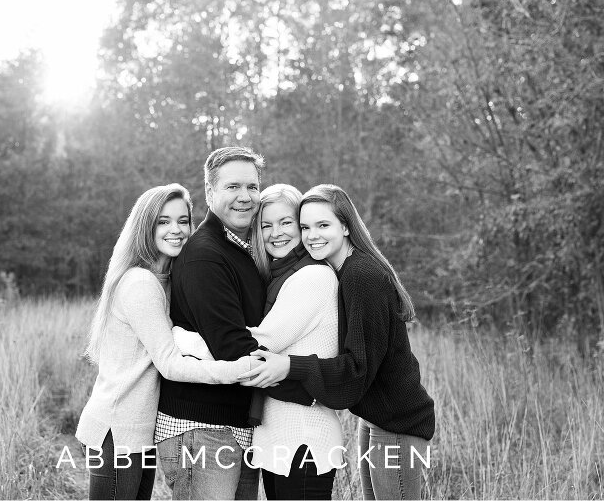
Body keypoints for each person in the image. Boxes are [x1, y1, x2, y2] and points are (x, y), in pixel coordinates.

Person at [240, 184, 436, 500]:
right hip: (374, 416)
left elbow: (357, 367)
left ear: (345, 226)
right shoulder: (341, 269)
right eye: (305, 227)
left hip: (398, 422)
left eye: (323, 225)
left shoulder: (361, 275)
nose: (312, 235)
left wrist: (290, 366)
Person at [75, 183, 254, 500]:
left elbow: (174, 338)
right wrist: (236, 371)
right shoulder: (140, 283)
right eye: (163, 221)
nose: (176, 230)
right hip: (118, 429)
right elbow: (170, 364)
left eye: (183, 221)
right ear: (146, 226)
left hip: (137, 430)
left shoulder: (165, 280)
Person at [174, 184, 343, 500]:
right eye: (266, 225)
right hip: (280, 437)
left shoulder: (312, 278)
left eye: (286, 222)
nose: (275, 233)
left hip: (303, 436)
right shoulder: (281, 277)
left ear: (302, 226)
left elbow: (258, 344)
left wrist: (182, 338)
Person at [155, 146, 272, 500]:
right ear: (209, 193)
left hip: (232, 424)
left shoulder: (243, 249)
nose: (245, 197)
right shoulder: (206, 254)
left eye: (252, 187)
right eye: (233, 187)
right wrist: (306, 375)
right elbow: (232, 346)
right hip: (201, 426)